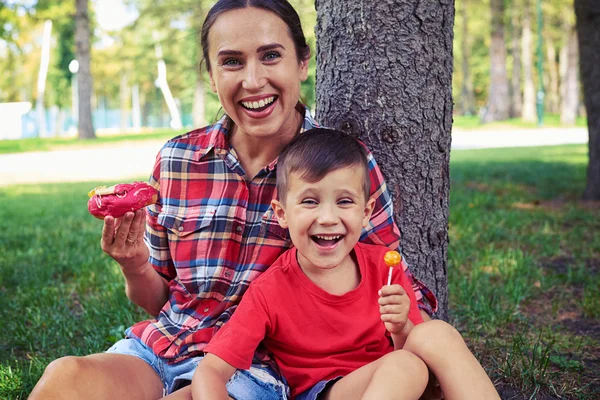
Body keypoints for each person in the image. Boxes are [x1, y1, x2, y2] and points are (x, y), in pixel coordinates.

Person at [29, 1, 437, 399]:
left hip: (254, 373)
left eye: (271, 55)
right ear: (210, 74)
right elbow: (158, 299)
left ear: (302, 63)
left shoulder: (342, 170)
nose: (253, 80)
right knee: (66, 377)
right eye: (231, 62)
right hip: (162, 349)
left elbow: (389, 282)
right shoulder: (178, 161)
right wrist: (134, 265)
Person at [190, 128, 500, 400]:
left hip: (396, 382)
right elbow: (212, 370)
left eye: (344, 201)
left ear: (366, 213)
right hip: (329, 391)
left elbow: (412, 348)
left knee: (435, 335)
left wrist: (402, 326)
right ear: (282, 213)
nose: (327, 218)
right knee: (405, 366)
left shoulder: (384, 267)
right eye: (310, 201)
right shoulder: (269, 291)